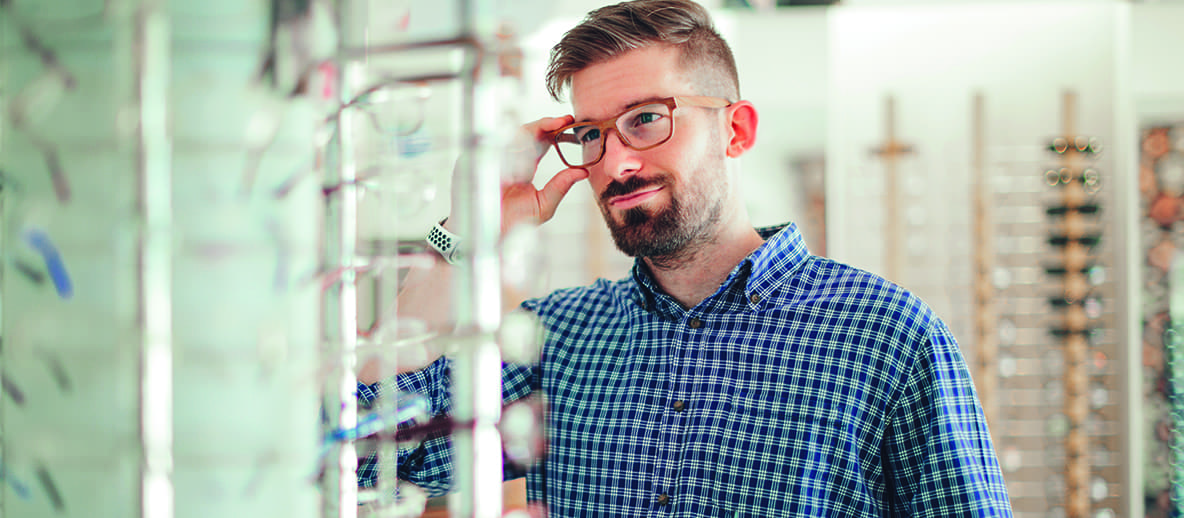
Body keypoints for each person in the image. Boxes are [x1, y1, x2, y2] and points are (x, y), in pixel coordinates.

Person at [357, 0, 1013, 515]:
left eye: (646, 118)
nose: (617, 161)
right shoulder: (557, 338)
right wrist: (465, 231)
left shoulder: (888, 336)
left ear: (737, 129)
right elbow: (364, 446)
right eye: (591, 134)